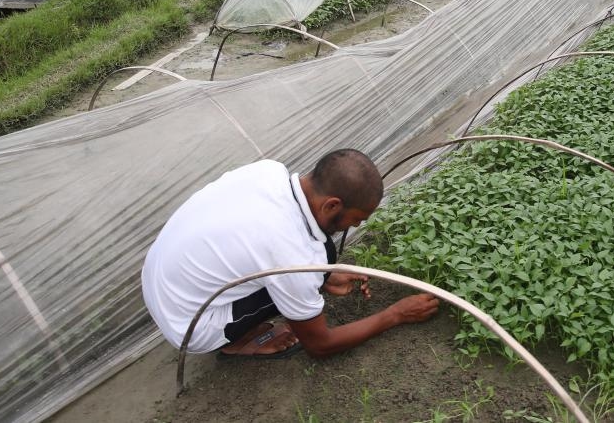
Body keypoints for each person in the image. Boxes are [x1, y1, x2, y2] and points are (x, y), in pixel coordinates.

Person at [141, 149, 439, 359]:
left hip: (162, 277)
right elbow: (320, 345)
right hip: (190, 325)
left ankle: (306, 283)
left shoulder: (269, 171)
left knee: (318, 257)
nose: (357, 225)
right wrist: (396, 315)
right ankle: (237, 343)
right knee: (315, 258)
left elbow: (260, 247)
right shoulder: (291, 252)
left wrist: (323, 276)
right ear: (332, 205)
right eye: (357, 219)